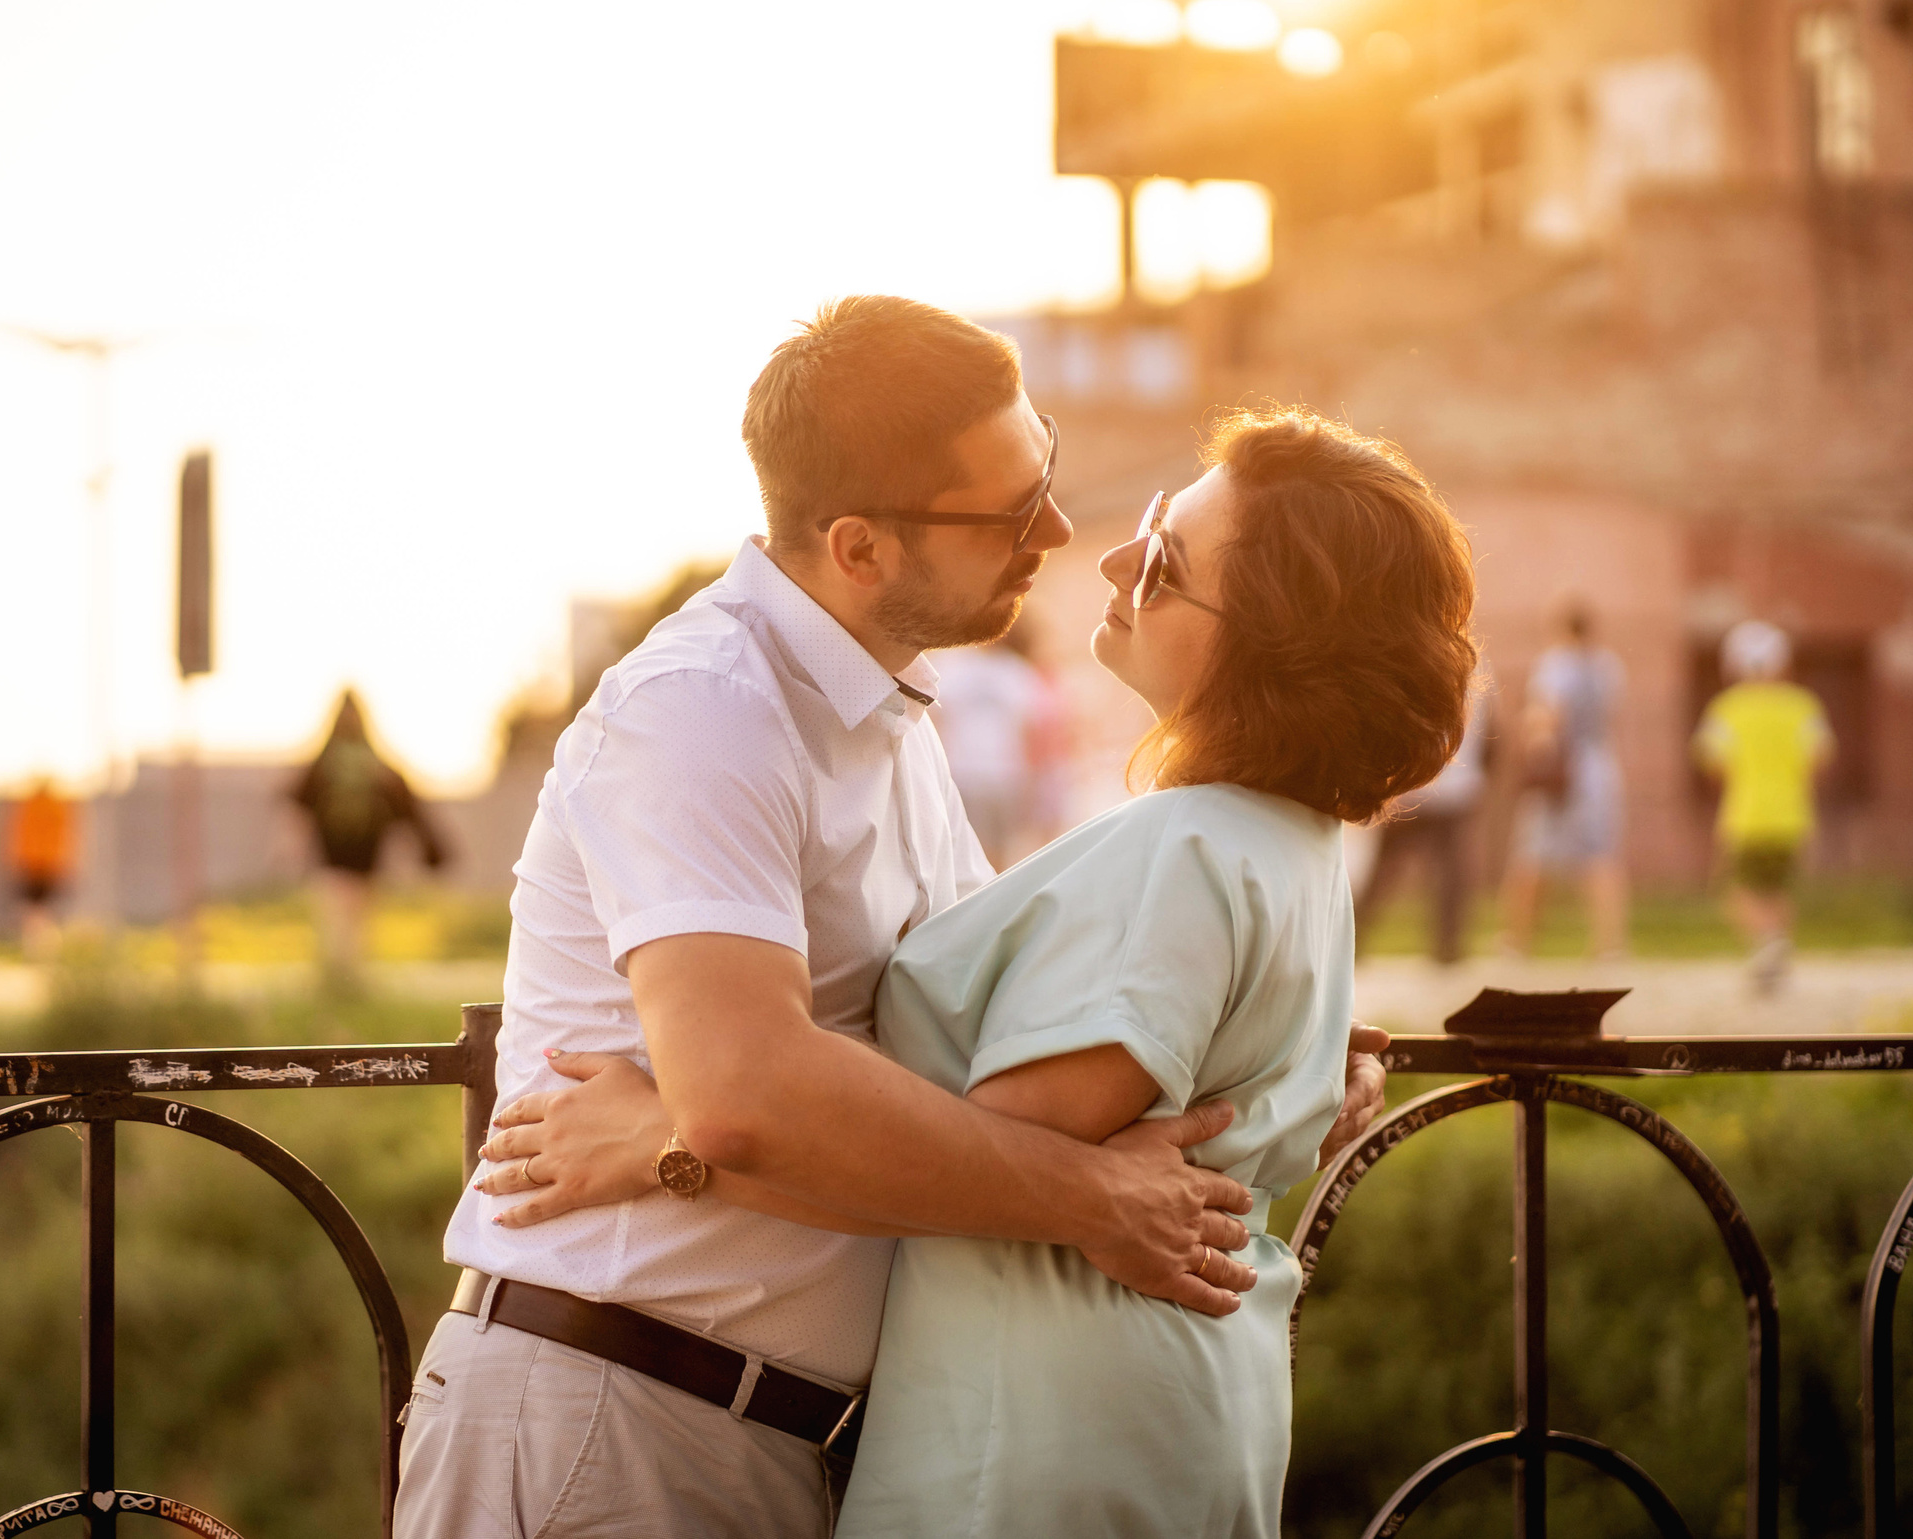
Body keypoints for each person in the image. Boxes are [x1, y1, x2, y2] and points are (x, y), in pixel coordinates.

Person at [390, 299, 1392, 1539]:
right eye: (1011, 513)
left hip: (780, 1437)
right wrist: (1091, 1198)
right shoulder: (704, 712)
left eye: (1046, 473)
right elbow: (749, 1094)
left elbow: (974, 1047)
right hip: (619, 1416)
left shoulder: (884, 717)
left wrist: (1282, 1055)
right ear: (859, 547)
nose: (1059, 533)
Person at [1693, 620, 1835, 993]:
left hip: (1745, 816)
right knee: (1778, 889)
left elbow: (1712, 762)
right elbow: (1820, 756)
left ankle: (1766, 943)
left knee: (1735, 888)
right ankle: (1775, 948)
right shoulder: (1802, 705)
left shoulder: (1728, 708)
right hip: (1793, 816)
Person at [290, 689, 451, 998]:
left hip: (364, 859)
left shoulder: (372, 768)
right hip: (333, 858)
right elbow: (299, 808)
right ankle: (337, 983)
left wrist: (427, 852)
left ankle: (348, 985)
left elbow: (406, 811)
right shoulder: (327, 767)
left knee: (354, 926)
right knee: (339, 924)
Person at [1499, 597, 1627, 958]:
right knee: (1600, 855)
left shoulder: (1556, 664)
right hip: (1598, 767)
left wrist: (1533, 754)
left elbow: (1547, 717)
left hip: (1561, 769)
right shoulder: (1607, 666)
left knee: (1531, 855)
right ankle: (1610, 942)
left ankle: (1518, 939)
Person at [1355, 683, 1490, 965]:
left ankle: (1354, 939)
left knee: (1390, 871)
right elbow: (1491, 738)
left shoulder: (1422, 671)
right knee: (1446, 873)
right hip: (1447, 791)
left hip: (1421, 789)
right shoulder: (1479, 675)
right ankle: (1447, 948)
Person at [929, 629, 1048, 865]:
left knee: (999, 850)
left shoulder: (1014, 670)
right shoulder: (953, 664)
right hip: (964, 774)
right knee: (970, 849)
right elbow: (936, 721)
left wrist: (1031, 779)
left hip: (1004, 776)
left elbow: (1029, 732)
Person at [7, 779, 77, 962]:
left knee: (38, 909)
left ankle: (39, 943)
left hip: (37, 863)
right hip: (43, 863)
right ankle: (42, 944)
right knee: (40, 908)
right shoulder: (52, 805)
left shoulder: (34, 805)